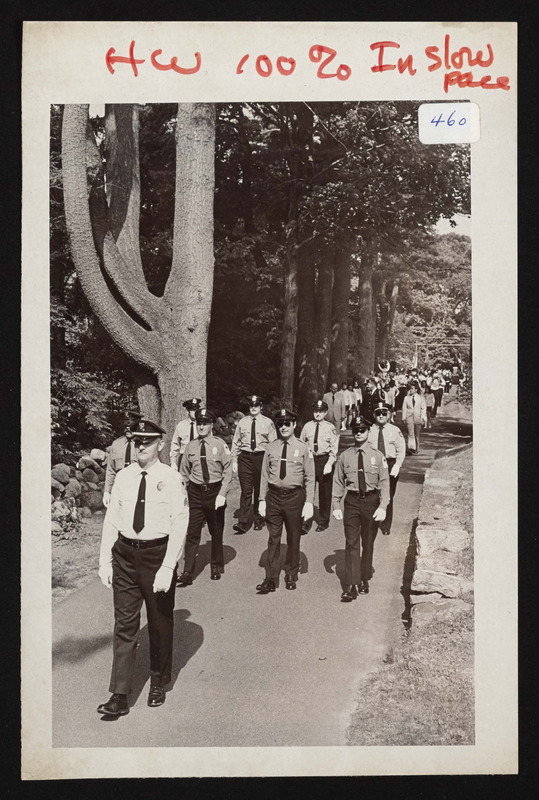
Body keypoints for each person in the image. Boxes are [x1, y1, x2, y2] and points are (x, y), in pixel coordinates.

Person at [97, 419, 188, 717]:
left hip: (156, 555)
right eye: (137, 441)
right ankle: (119, 694)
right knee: (124, 624)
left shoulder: (171, 478)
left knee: (160, 622)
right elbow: (112, 519)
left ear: (160, 445)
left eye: (147, 441)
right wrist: (105, 560)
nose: (141, 446)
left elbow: (179, 524)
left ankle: (158, 682)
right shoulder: (123, 476)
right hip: (125, 554)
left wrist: (168, 566)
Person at [256, 408, 315, 593]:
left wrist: (309, 502)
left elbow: (310, 477)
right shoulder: (271, 447)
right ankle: (271, 578)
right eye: (280, 424)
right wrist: (261, 500)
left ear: (294, 425)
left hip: (294, 497)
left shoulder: (303, 448)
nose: (283, 427)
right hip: (273, 496)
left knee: (293, 537)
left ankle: (291, 572)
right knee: (273, 538)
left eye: (287, 424)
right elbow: (264, 475)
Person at [332, 416, 389, 601]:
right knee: (351, 542)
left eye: (362, 430)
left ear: (368, 432)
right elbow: (338, 481)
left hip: (371, 502)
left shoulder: (378, 456)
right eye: (355, 430)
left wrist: (383, 505)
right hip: (352, 502)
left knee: (368, 542)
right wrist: (335, 504)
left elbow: (384, 483)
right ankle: (351, 583)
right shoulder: (345, 456)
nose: (358, 433)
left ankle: (364, 578)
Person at [177, 408, 233, 585]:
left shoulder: (219, 444)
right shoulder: (191, 446)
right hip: (195, 492)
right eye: (199, 423)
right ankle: (187, 571)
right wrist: (183, 494)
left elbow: (228, 470)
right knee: (193, 532)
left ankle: (216, 565)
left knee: (215, 530)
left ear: (211, 425)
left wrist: (222, 493)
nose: (201, 426)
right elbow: (184, 472)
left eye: (204, 423)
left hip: (215, 492)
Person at [231, 395, 277, 533]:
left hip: (261, 457)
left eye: (256, 405)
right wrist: (234, 460)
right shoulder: (242, 423)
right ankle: (243, 522)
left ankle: (259, 519)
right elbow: (236, 442)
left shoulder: (268, 423)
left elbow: (273, 443)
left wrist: (272, 462)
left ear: (261, 407)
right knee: (246, 490)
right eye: (251, 405)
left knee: (259, 489)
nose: (253, 408)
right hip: (245, 458)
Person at [299, 399, 339, 532]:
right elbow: (302, 444)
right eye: (315, 411)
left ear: (325, 412)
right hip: (310, 460)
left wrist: (330, 463)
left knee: (325, 492)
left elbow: (334, 448)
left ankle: (323, 520)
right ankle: (306, 520)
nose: (317, 414)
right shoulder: (307, 426)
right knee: (307, 491)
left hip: (324, 460)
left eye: (320, 411)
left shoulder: (330, 427)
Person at [368, 400, 405, 536]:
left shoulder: (395, 431)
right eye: (378, 413)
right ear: (374, 415)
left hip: (390, 464)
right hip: (373, 464)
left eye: (384, 413)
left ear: (389, 414)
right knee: (372, 493)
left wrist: (397, 465)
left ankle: (385, 525)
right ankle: (372, 520)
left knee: (388, 494)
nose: (381, 416)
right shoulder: (369, 430)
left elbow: (401, 449)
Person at [102, 409, 142, 507]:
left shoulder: (142, 445)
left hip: (137, 487)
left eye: (131, 426)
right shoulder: (116, 444)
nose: (128, 429)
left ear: (137, 425)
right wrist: (107, 492)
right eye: (126, 426)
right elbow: (111, 470)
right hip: (119, 487)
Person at [169, 398, 202, 470]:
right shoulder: (181, 425)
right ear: (187, 411)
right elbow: (175, 445)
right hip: (184, 457)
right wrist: (173, 462)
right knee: (183, 480)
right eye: (193, 410)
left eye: (197, 409)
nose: (195, 412)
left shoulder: (203, 425)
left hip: (199, 457)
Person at [401, 382, 427, 454]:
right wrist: (404, 418)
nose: (411, 390)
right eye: (410, 388)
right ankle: (411, 448)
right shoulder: (406, 398)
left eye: (412, 388)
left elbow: (423, 408)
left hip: (418, 418)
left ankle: (417, 448)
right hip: (409, 418)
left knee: (417, 434)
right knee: (410, 433)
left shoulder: (421, 398)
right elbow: (404, 409)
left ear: (416, 389)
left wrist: (423, 418)